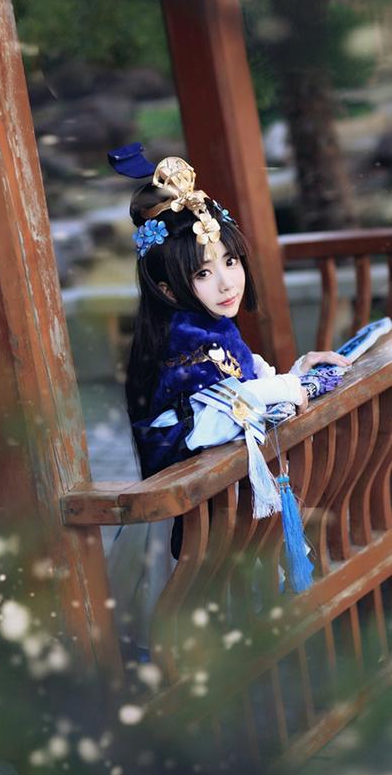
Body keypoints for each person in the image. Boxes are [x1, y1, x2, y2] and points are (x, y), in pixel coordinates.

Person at [107, 153, 349, 656]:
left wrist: (296, 375)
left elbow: (246, 389)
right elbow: (214, 416)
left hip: (221, 508)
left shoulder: (210, 328)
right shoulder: (180, 342)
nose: (226, 283)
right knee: (208, 646)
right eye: (203, 272)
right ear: (167, 287)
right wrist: (285, 388)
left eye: (231, 262)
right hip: (194, 518)